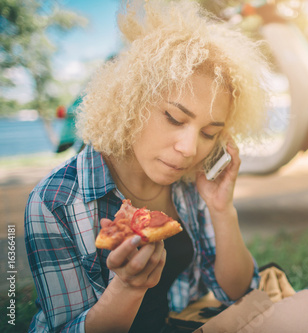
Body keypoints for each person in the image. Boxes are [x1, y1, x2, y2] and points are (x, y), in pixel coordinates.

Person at [24, 0, 270, 331]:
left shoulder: (192, 183)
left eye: (209, 133)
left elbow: (239, 292)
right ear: (131, 103)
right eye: (174, 118)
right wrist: (127, 288)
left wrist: (222, 210)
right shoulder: (54, 202)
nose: (188, 149)